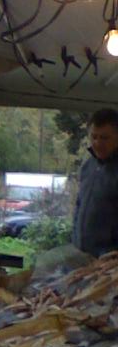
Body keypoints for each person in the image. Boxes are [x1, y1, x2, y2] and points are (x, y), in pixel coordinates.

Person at [72, 108, 118, 257]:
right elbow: (79, 206)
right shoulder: (88, 166)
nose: (97, 143)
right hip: (82, 255)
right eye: (94, 137)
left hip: (110, 262)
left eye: (104, 138)